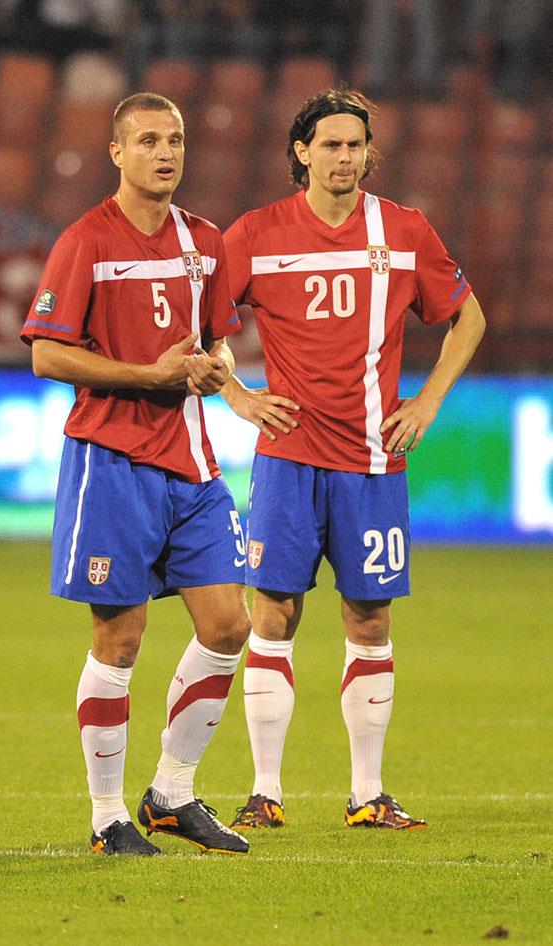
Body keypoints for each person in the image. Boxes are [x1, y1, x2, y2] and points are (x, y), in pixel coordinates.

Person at [221, 87, 486, 831]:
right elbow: (201, 325)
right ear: (301, 152)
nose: (345, 157)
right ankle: (264, 792)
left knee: (370, 620)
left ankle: (367, 794)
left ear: (370, 153)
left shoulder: (404, 230)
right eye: (331, 144)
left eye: (355, 145)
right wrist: (238, 396)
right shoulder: (256, 234)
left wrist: (427, 401)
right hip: (287, 458)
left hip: (373, 460)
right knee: (273, 614)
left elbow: (468, 317)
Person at [20, 92, 253, 856]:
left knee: (230, 625)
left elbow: (218, 342)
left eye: (175, 139)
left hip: (193, 464)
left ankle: (171, 794)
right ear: (117, 152)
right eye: (148, 140)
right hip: (112, 462)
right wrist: (146, 376)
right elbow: (46, 353)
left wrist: (217, 371)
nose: (165, 153)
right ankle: (106, 817)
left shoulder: (206, 242)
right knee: (120, 638)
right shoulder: (85, 240)